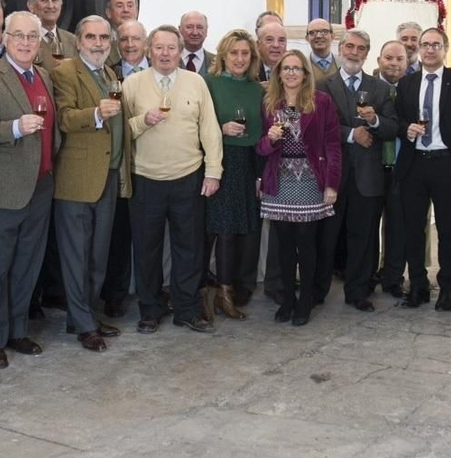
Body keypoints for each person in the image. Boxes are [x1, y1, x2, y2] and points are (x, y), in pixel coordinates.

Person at [0, 11, 58, 367]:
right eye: (17, 35)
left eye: (31, 37)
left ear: (39, 42)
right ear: (4, 38)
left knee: (26, 265)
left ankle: (17, 331)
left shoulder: (44, 76)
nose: (24, 42)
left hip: (39, 186)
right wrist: (16, 127)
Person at [125, 24, 223, 334]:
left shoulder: (196, 83)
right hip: (145, 179)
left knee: (189, 248)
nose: (165, 53)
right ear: (148, 50)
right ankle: (150, 310)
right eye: (159, 47)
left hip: (188, 178)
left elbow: (210, 129)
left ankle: (187, 309)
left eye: (171, 47)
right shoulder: (132, 84)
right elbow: (120, 132)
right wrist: (143, 120)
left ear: (180, 51)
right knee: (146, 249)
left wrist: (213, 172)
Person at [50, 16, 130, 350]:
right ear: (78, 41)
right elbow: (65, 118)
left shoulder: (109, 73)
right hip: (77, 178)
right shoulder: (64, 72)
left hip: (107, 177)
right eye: (91, 37)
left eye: (103, 38)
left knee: (98, 254)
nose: (98, 43)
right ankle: (83, 324)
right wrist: (97, 114)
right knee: (76, 255)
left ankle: (84, 316)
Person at [257, 51, 341, 325]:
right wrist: (270, 140)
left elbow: (332, 145)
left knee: (306, 242)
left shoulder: (321, 102)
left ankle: (305, 299)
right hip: (279, 180)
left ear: (306, 74)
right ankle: (288, 300)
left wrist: (332, 183)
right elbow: (261, 148)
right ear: (278, 73)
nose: (291, 73)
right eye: (286, 68)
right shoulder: (270, 103)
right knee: (283, 244)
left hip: (309, 178)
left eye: (297, 68)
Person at [394, 26, 451, 311]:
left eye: (436, 45)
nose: (429, 49)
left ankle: (448, 285)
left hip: (447, 164)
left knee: (449, 229)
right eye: (425, 44)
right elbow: (399, 119)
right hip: (415, 164)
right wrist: (408, 129)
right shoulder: (407, 83)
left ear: (445, 50)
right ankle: (417, 284)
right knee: (413, 229)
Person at [317, 29, 397, 311]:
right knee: (327, 236)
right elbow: (317, 127)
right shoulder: (323, 86)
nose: (354, 52)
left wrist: (374, 121)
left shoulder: (380, 88)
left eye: (360, 48)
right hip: (332, 176)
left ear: (366, 53)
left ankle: (358, 291)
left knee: (363, 237)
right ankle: (318, 290)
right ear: (341, 48)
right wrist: (352, 134)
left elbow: (392, 128)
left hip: (367, 176)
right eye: (349, 46)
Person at [203, 29, 264, 320]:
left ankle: (238, 287)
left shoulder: (258, 89)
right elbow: (197, 123)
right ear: (222, 56)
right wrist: (221, 128)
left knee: (245, 231)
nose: (239, 59)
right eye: (233, 53)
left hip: (249, 162)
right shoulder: (208, 84)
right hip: (221, 162)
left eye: (245, 53)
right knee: (224, 230)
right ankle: (222, 294)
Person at [100, 19, 148, 317]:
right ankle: (115, 294)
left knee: (149, 235)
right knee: (118, 235)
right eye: (125, 39)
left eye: (136, 39)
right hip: (120, 168)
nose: (130, 45)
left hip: (151, 167)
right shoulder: (108, 74)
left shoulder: (160, 73)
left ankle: (149, 291)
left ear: (146, 42)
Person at [374, 39, 412, 299]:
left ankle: (393, 277)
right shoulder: (370, 88)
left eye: (399, 59)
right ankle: (366, 274)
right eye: (389, 58)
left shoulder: (412, 89)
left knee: (398, 226)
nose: (394, 63)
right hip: (373, 167)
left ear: (407, 64)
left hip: (402, 168)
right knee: (367, 226)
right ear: (379, 61)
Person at [28, 0, 76, 64]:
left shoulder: (73, 41)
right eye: (43, 0)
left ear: (61, 4)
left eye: (55, 0)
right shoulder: (24, 40)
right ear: (31, 6)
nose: (50, 6)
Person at [256, 19, 289, 83]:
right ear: (258, 45)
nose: (276, 45)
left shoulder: (295, 69)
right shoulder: (249, 70)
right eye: (269, 40)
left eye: (281, 40)